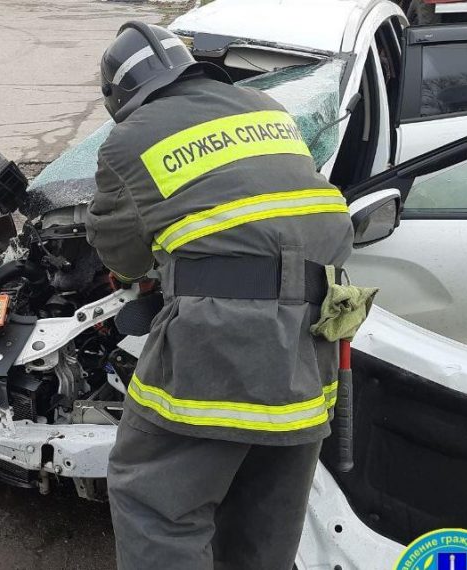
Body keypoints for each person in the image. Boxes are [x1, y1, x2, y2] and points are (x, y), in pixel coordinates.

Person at [86, 21, 354, 570]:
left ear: (121, 96)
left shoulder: (129, 138)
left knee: (155, 504)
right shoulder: (264, 107)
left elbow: (123, 258)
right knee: (265, 517)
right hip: (314, 344)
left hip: (221, 346)